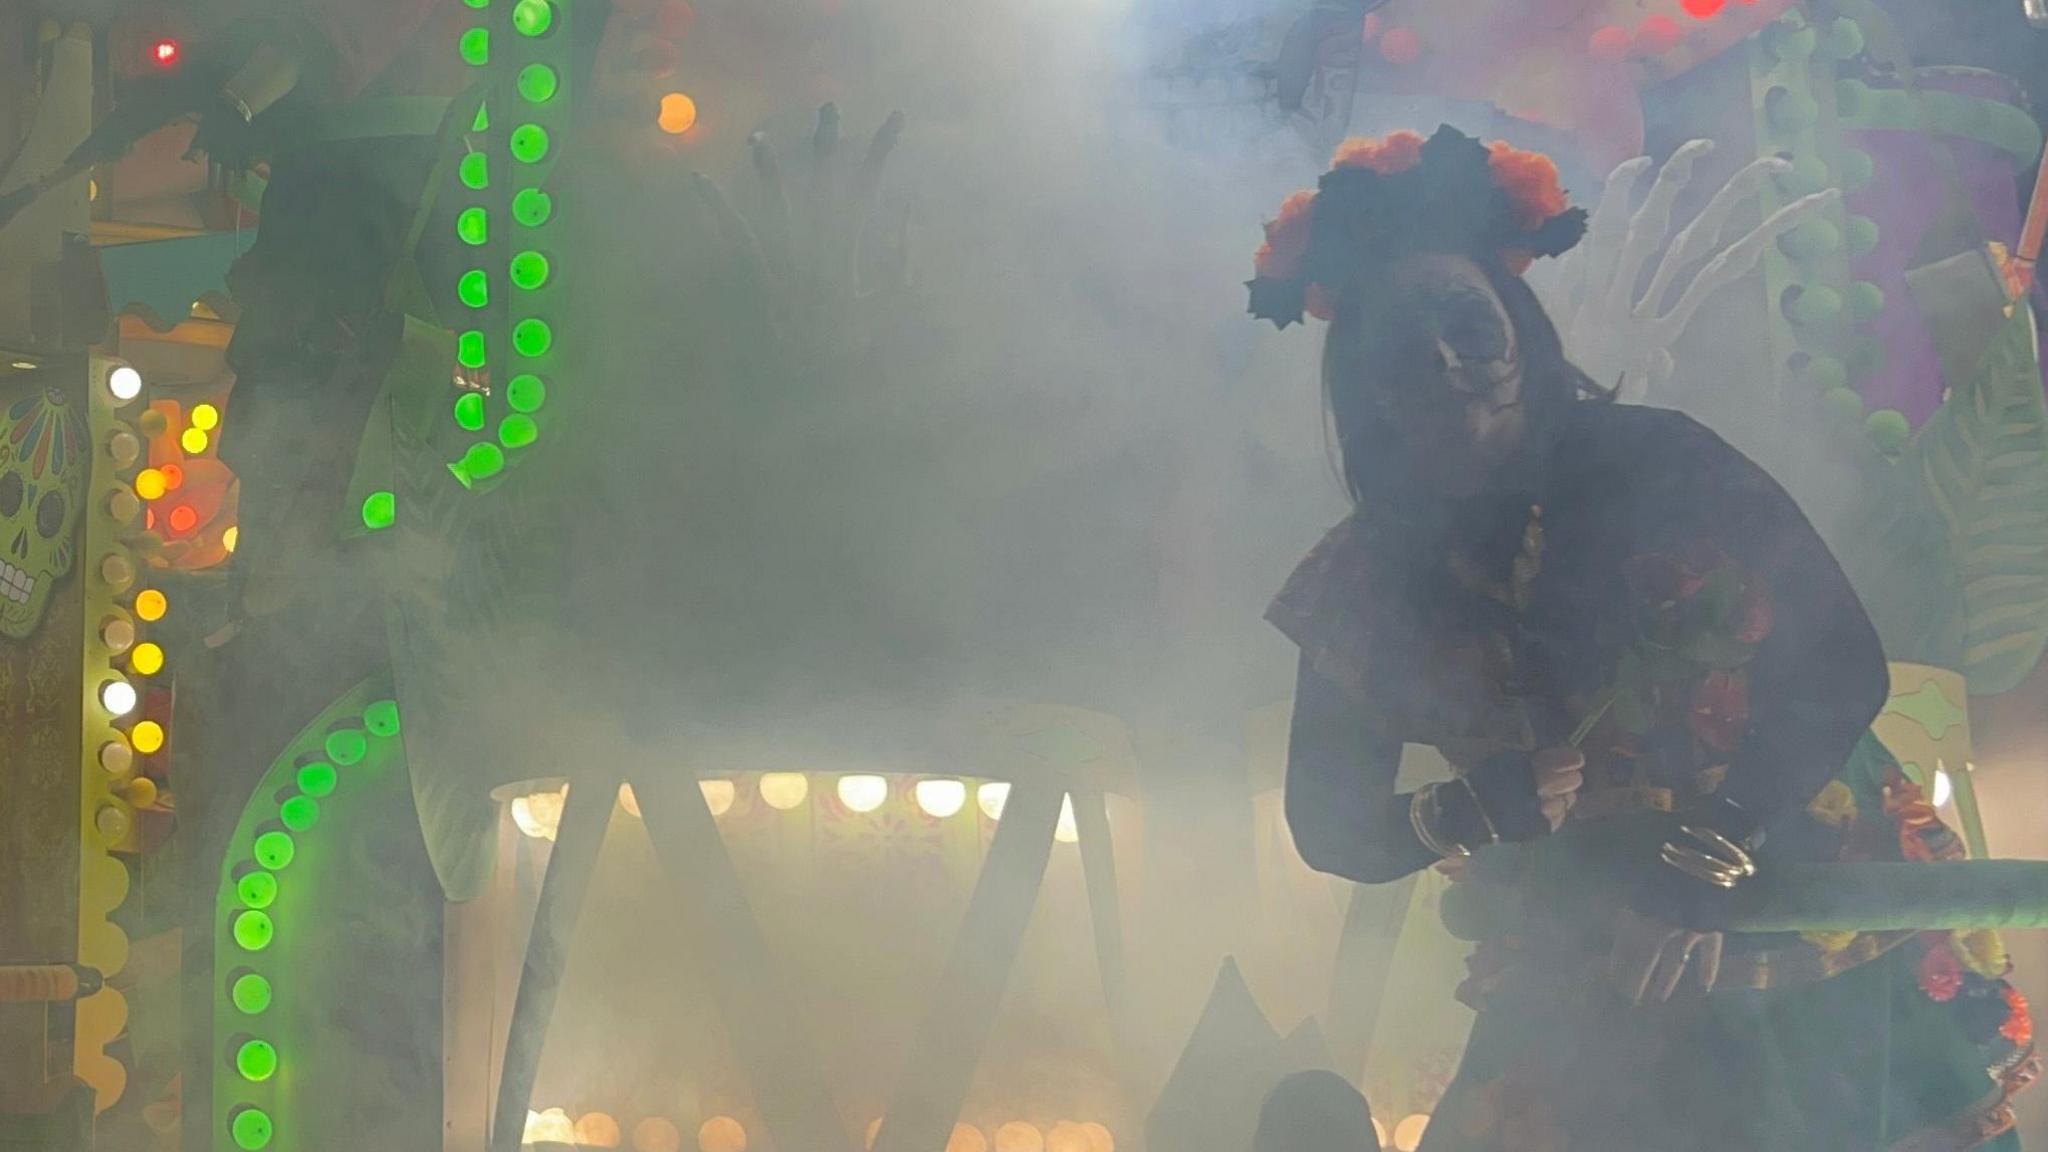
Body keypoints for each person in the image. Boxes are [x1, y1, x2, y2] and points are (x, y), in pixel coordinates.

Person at [1256, 126, 2036, 1151]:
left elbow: (1838, 659)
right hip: (1578, 957)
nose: (1445, 363)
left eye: (1468, 328)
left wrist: (1708, 851)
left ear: (1522, 338)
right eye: (1403, 349)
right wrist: (1463, 809)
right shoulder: (1361, 578)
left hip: (1797, 916)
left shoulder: (1662, 464)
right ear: (1365, 390)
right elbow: (1327, 822)